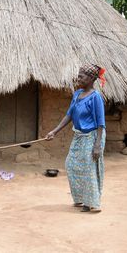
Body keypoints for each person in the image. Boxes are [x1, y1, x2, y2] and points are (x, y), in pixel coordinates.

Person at [46, 64, 106, 213]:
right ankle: (79, 197)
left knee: (88, 168)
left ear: (91, 78)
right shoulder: (77, 94)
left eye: (82, 76)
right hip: (79, 135)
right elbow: (69, 115)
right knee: (71, 164)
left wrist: (97, 145)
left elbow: (101, 123)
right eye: (78, 75)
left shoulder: (96, 97)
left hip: (93, 136)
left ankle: (90, 202)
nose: (78, 78)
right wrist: (54, 131)